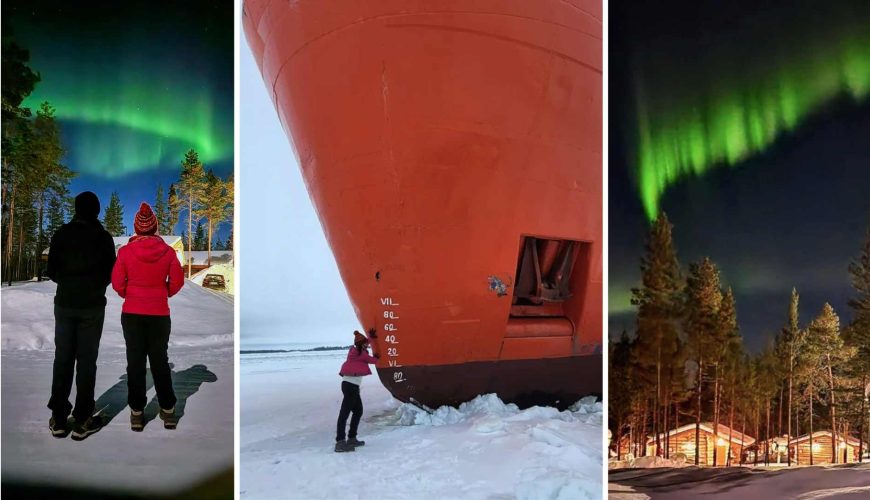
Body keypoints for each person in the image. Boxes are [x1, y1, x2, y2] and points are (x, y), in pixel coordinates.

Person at [46, 191, 116, 440]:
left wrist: (68, 282)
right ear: (96, 211)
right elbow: (111, 272)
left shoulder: (61, 234)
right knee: (86, 361)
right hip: (92, 307)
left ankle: (59, 418)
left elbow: (51, 270)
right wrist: (94, 286)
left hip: (65, 304)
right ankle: (84, 417)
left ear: (77, 209)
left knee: (63, 358)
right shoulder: (103, 237)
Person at [111, 202, 184, 431]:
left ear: (137, 228)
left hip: (132, 313)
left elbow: (116, 282)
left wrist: (129, 294)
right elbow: (178, 281)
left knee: (135, 363)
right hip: (159, 315)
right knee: (160, 361)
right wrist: (163, 293)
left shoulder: (125, 252)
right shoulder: (168, 252)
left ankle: (137, 412)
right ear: (154, 228)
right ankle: (169, 410)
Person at [335, 328, 380, 452]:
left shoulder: (359, 351)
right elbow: (372, 360)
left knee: (358, 411)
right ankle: (340, 442)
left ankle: (352, 438)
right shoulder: (357, 352)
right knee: (344, 413)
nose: (367, 344)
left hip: (352, 385)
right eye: (365, 343)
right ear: (361, 344)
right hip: (350, 386)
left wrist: (370, 338)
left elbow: (364, 346)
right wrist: (377, 357)